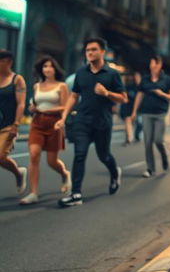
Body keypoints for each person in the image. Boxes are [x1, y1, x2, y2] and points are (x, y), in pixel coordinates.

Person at [56, 38, 127, 207]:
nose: (90, 52)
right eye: (88, 50)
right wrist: (64, 116)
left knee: (104, 155)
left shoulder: (112, 74)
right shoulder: (81, 73)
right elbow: (74, 96)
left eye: (94, 49)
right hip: (82, 120)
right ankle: (76, 194)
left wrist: (107, 93)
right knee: (79, 154)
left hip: (102, 122)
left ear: (103, 52)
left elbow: (123, 98)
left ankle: (114, 172)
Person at [20, 56, 71, 204]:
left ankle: (65, 174)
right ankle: (33, 193)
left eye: (50, 66)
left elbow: (65, 106)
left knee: (51, 161)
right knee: (34, 155)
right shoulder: (37, 86)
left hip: (54, 123)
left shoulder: (61, 86)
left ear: (55, 69)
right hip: (37, 122)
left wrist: (49, 110)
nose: (47, 69)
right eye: (44, 67)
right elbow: (35, 104)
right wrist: (33, 108)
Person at [130, 55, 170, 177]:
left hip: (161, 114)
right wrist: (134, 112)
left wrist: (163, 94)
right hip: (146, 113)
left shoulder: (167, 80)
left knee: (158, 140)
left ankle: (164, 155)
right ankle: (150, 168)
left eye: (155, 63)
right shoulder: (145, 80)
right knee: (148, 141)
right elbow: (139, 96)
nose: (153, 66)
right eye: (151, 63)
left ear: (160, 65)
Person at [0, 50, 27, 195]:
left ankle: (18, 173)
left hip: (8, 124)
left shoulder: (17, 79)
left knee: (0, 156)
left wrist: (16, 124)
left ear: (8, 62)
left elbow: (21, 104)